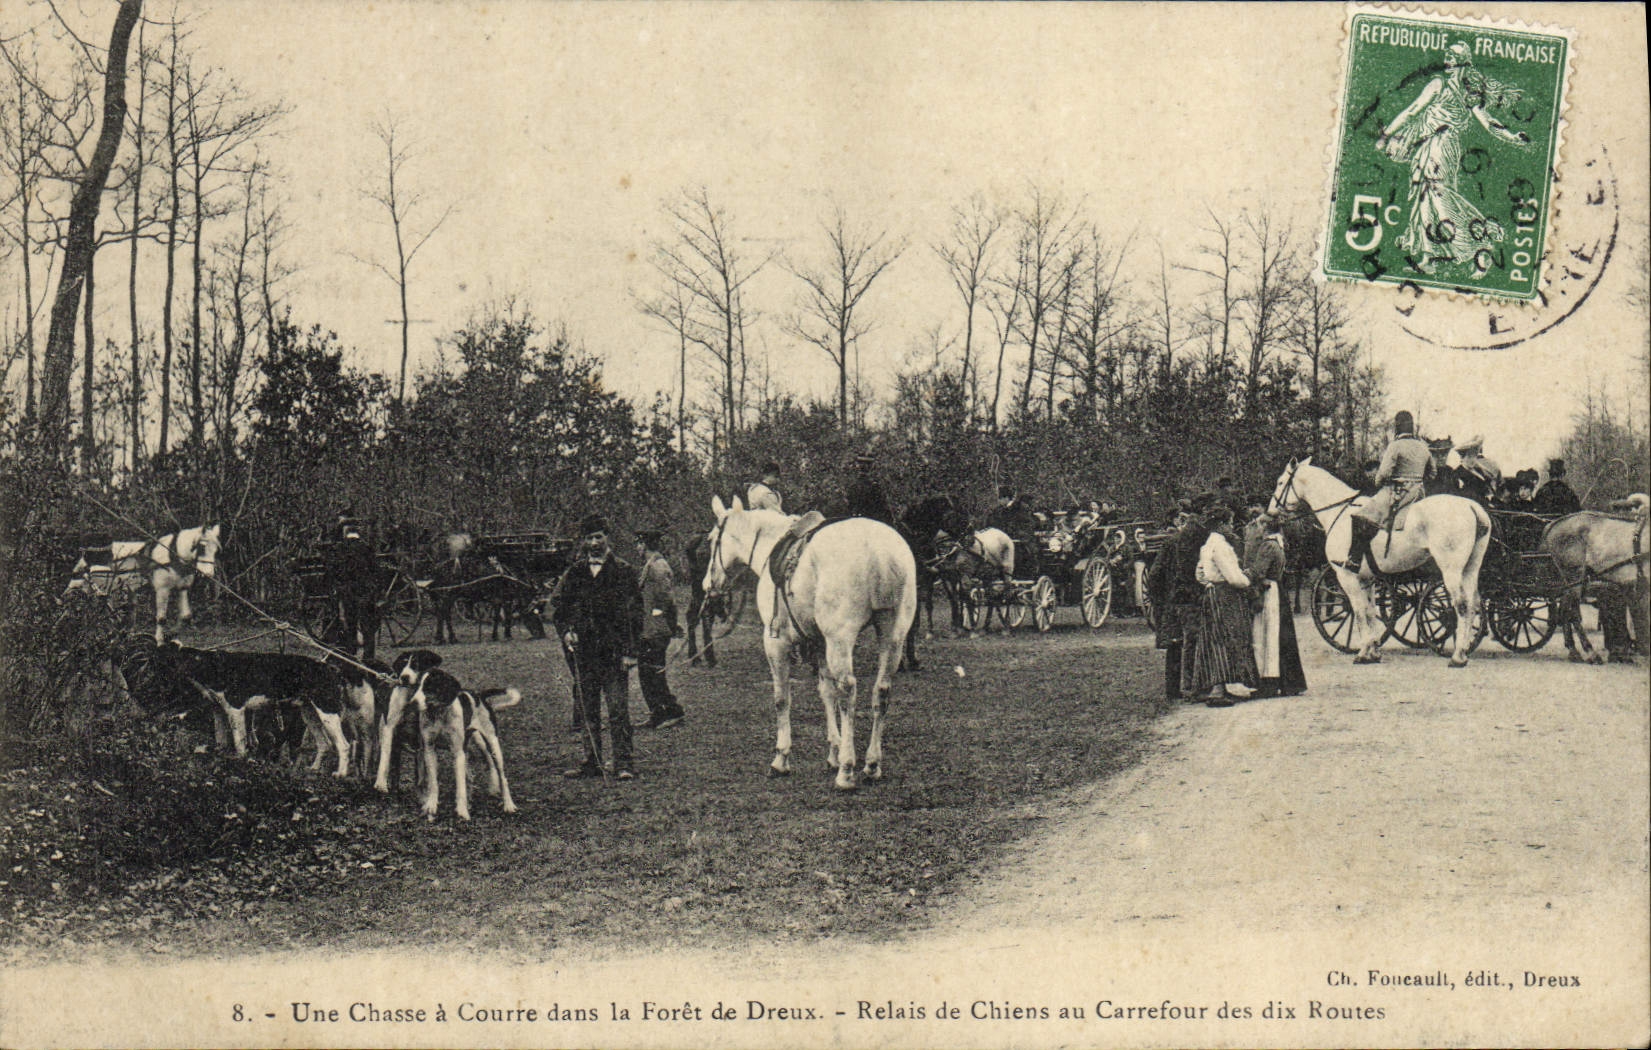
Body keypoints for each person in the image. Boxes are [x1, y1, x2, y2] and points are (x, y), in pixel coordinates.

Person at [1376, 41, 1532, 275]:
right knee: (1428, 198)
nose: (1447, 60)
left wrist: (1386, 134)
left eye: (1452, 56)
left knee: (1436, 196)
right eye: (1447, 56)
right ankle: (1430, 257)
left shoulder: (1459, 91)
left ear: (1464, 62)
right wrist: (1388, 133)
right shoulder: (1443, 85)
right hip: (1434, 146)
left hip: (1440, 147)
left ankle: (1479, 243)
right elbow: (1414, 110)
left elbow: (1487, 122)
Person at [553, 514, 642, 780]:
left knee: (617, 709)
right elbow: (561, 608)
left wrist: (630, 652)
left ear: (607, 538)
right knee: (588, 709)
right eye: (589, 538)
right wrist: (567, 632)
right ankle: (592, 761)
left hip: (614, 654)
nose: (594, 543)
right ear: (583, 541)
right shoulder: (575, 573)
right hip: (584, 654)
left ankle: (624, 763)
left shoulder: (624, 571)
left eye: (598, 537)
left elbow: (635, 615)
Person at [1188, 504, 1259, 706]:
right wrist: (1247, 579)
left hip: (1212, 593)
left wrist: (1209, 582)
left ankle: (1217, 688)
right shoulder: (1221, 546)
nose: (1231, 527)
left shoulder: (1207, 545)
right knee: (1225, 639)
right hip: (1226, 596)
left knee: (1213, 639)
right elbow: (1234, 578)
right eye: (1229, 523)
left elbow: (1199, 573)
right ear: (1220, 524)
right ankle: (1217, 691)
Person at [1145, 493, 1214, 702]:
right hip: (1186, 597)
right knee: (1190, 641)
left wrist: (1162, 600)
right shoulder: (1199, 539)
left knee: (1176, 644)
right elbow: (1156, 577)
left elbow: (1154, 576)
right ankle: (1193, 687)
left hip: (1173, 599)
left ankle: (1174, 690)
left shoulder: (1171, 542)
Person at [1346, 411, 1432, 574]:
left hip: (1397, 490)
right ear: (1412, 427)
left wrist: (1379, 483)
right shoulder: (1423, 447)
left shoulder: (1395, 446)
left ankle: (1354, 560)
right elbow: (1432, 472)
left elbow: (1384, 473)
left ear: (1397, 427)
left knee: (1361, 517)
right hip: (1419, 492)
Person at [1247, 519, 1307, 698]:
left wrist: (1244, 574)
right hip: (1277, 590)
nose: (1256, 528)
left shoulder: (1267, 546)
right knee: (1281, 637)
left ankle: (1268, 684)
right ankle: (1289, 682)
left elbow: (1259, 572)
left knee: (1267, 638)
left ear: (1265, 527)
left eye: (1257, 525)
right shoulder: (1279, 544)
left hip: (1269, 593)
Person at [635, 528, 686, 730]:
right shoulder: (650, 565)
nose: (637, 548)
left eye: (639, 543)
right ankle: (657, 713)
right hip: (649, 628)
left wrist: (671, 625)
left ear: (645, 545)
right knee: (646, 673)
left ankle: (673, 711)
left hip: (656, 629)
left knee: (654, 673)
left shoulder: (658, 566)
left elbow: (667, 600)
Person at [327, 516, 382, 661]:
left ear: (345, 533)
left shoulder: (339, 549)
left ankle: (351, 654)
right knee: (367, 627)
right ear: (358, 533)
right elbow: (376, 571)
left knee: (350, 624)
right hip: (366, 593)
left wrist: (338, 587)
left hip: (348, 593)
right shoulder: (367, 548)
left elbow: (333, 571)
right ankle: (368, 657)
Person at [843, 452, 894, 524]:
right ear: (871, 467)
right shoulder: (874, 486)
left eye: (866, 464)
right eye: (862, 463)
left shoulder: (852, 485)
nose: (864, 466)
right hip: (870, 522)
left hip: (856, 521)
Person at [1455, 436, 1501, 504]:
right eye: (1470, 456)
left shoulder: (1479, 471)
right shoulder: (1458, 473)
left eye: (1475, 456)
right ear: (1462, 457)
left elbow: (1488, 487)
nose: (1473, 459)